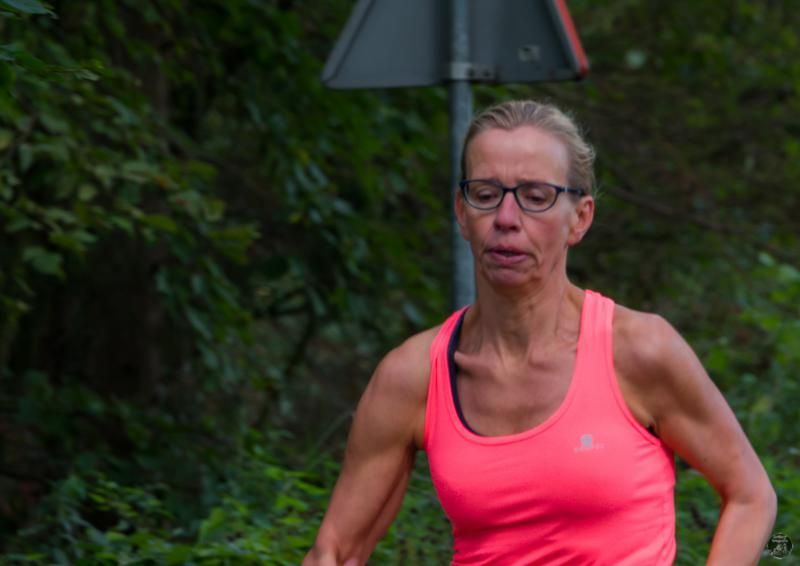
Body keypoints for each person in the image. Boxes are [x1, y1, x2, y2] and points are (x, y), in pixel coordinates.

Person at [303, 99, 777, 565]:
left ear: (580, 218)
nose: (506, 219)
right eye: (485, 194)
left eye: (535, 197)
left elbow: (751, 496)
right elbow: (335, 552)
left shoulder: (638, 351)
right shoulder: (415, 376)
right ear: (462, 212)